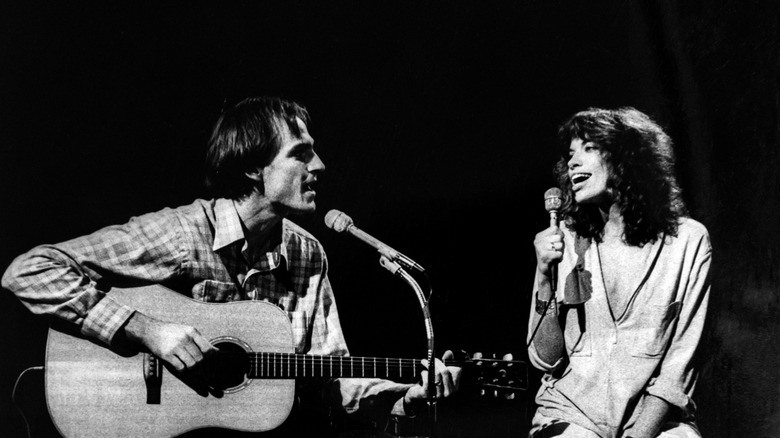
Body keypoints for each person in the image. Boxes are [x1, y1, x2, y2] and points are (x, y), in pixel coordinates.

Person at [2, 96, 461, 436]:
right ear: (253, 168)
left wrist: (406, 396)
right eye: (300, 153)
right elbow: (29, 271)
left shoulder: (307, 254)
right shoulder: (183, 233)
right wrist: (145, 330)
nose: (319, 166)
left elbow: (329, 379)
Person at [526, 107, 711, 438]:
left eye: (589, 148)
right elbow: (546, 359)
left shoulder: (688, 241)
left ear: (629, 156)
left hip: (655, 420)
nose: (573, 163)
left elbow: (679, 366)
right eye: (570, 155)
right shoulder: (567, 240)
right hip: (573, 413)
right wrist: (543, 275)